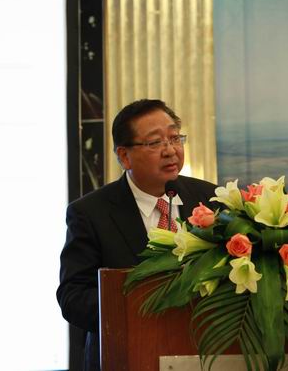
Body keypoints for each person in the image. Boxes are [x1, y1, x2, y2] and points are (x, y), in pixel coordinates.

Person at [56, 99, 218, 371]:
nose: (170, 150)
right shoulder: (90, 213)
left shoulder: (210, 198)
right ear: (124, 156)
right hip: (124, 357)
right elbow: (73, 296)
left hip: (204, 353)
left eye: (174, 138)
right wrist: (137, 310)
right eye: (155, 142)